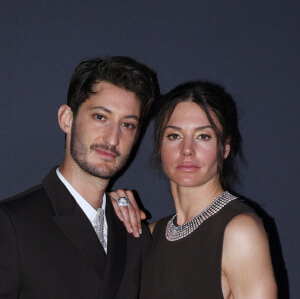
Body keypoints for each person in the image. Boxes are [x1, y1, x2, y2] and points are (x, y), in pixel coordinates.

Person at [0, 56, 155, 299]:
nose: (113, 139)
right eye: (100, 117)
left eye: (127, 125)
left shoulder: (133, 234)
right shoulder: (11, 223)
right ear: (67, 119)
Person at [111, 81, 277, 298]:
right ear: (159, 147)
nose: (187, 150)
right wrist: (105, 212)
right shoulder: (150, 236)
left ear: (225, 147)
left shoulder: (240, 232)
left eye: (203, 136)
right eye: (174, 136)